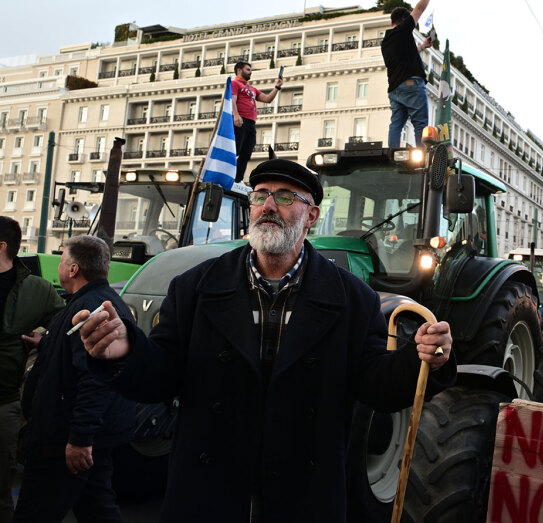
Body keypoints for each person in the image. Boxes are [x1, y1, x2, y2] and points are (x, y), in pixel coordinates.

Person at [76, 159, 456, 522]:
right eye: (260, 195)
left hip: (303, 496)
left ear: (311, 217)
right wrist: (125, 351)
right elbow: (163, 373)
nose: (269, 205)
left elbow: (375, 385)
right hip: (210, 492)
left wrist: (421, 359)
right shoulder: (195, 287)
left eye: (286, 196)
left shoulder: (352, 298)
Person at [15, 236, 135, 523]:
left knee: (34, 512)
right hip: (81, 434)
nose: (59, 265)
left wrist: (80, 439)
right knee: (96, 508)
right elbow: (78, 355)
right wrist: (46, 344)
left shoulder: (92, 310)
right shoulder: (88, 302)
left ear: (73, 270)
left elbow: (96, 380)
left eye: (62, 260)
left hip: (64, 439)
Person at [0, 218, 65, 523]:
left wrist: (45, 340)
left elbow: (68, 330)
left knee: (1, 490)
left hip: (5, 404)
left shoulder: (37, 290)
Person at [381, 0, 436, 148]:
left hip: (395, 90)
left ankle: (393, 156)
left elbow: (403, 58)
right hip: (411, 85)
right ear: (404, 19)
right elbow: (419, 9)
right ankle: (422, 161)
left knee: (396, 125)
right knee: (420, 123)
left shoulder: (386, 41)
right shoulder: (403, 29)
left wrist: (422, 47)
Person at [231, 61, 284, 182]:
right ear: (239, 70)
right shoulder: (235, 84)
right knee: (236, 150)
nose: (251, 72)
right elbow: (232, 100)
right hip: (241, 120)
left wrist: (277, 87)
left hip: (251, 123)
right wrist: (236, 115)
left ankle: (237, 178)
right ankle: (226, 172)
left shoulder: (252, 88)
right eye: (248, 69)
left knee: (247, 152)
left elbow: (267, 99)